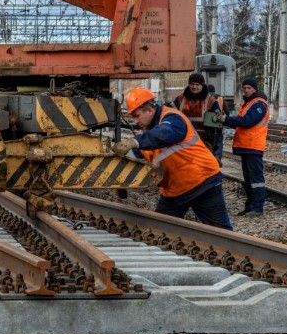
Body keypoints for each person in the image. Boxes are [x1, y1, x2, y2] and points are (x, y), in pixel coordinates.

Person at [113, 87, 232, 230]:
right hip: (174, 190)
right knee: (160, 233)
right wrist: (121, 180)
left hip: (202, 183)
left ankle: (235, 251)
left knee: (222, 233)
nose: (135, 121)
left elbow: (164, 133)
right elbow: (136, 156)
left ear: (149, 110)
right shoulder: (148, 132)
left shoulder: (172, 118)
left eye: (137, 116)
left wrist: (135, 141)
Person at [219, 77, 269, 216]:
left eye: (249, 88)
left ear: (255, 89)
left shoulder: (259, 104)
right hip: (247, 146)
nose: (246, 90)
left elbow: (247, 121)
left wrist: (226, 119)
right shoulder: (248, 103)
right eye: (244, 88)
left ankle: (257, 207)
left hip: (253, 146)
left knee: (256, 179)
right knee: (249, 179)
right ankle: (251, 205)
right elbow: (241, 121)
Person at [172, 73, 223, 162]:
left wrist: (217, 153)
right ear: (188, 85)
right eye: (192, 84)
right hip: (183, 143)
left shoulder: (211, 101)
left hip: (203, 143)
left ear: (202, 85)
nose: (194, 87)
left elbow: (217, 130)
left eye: (197, 84)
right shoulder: (180, 100)